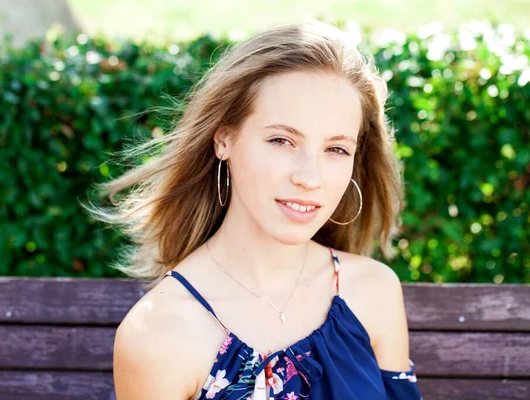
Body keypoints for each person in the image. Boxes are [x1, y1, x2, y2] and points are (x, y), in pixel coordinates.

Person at [83, 19, 423, 399]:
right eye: (281, 140)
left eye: (336, 149)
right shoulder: (161, 332)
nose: (310, 178)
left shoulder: (373, 291)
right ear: (224, 139)